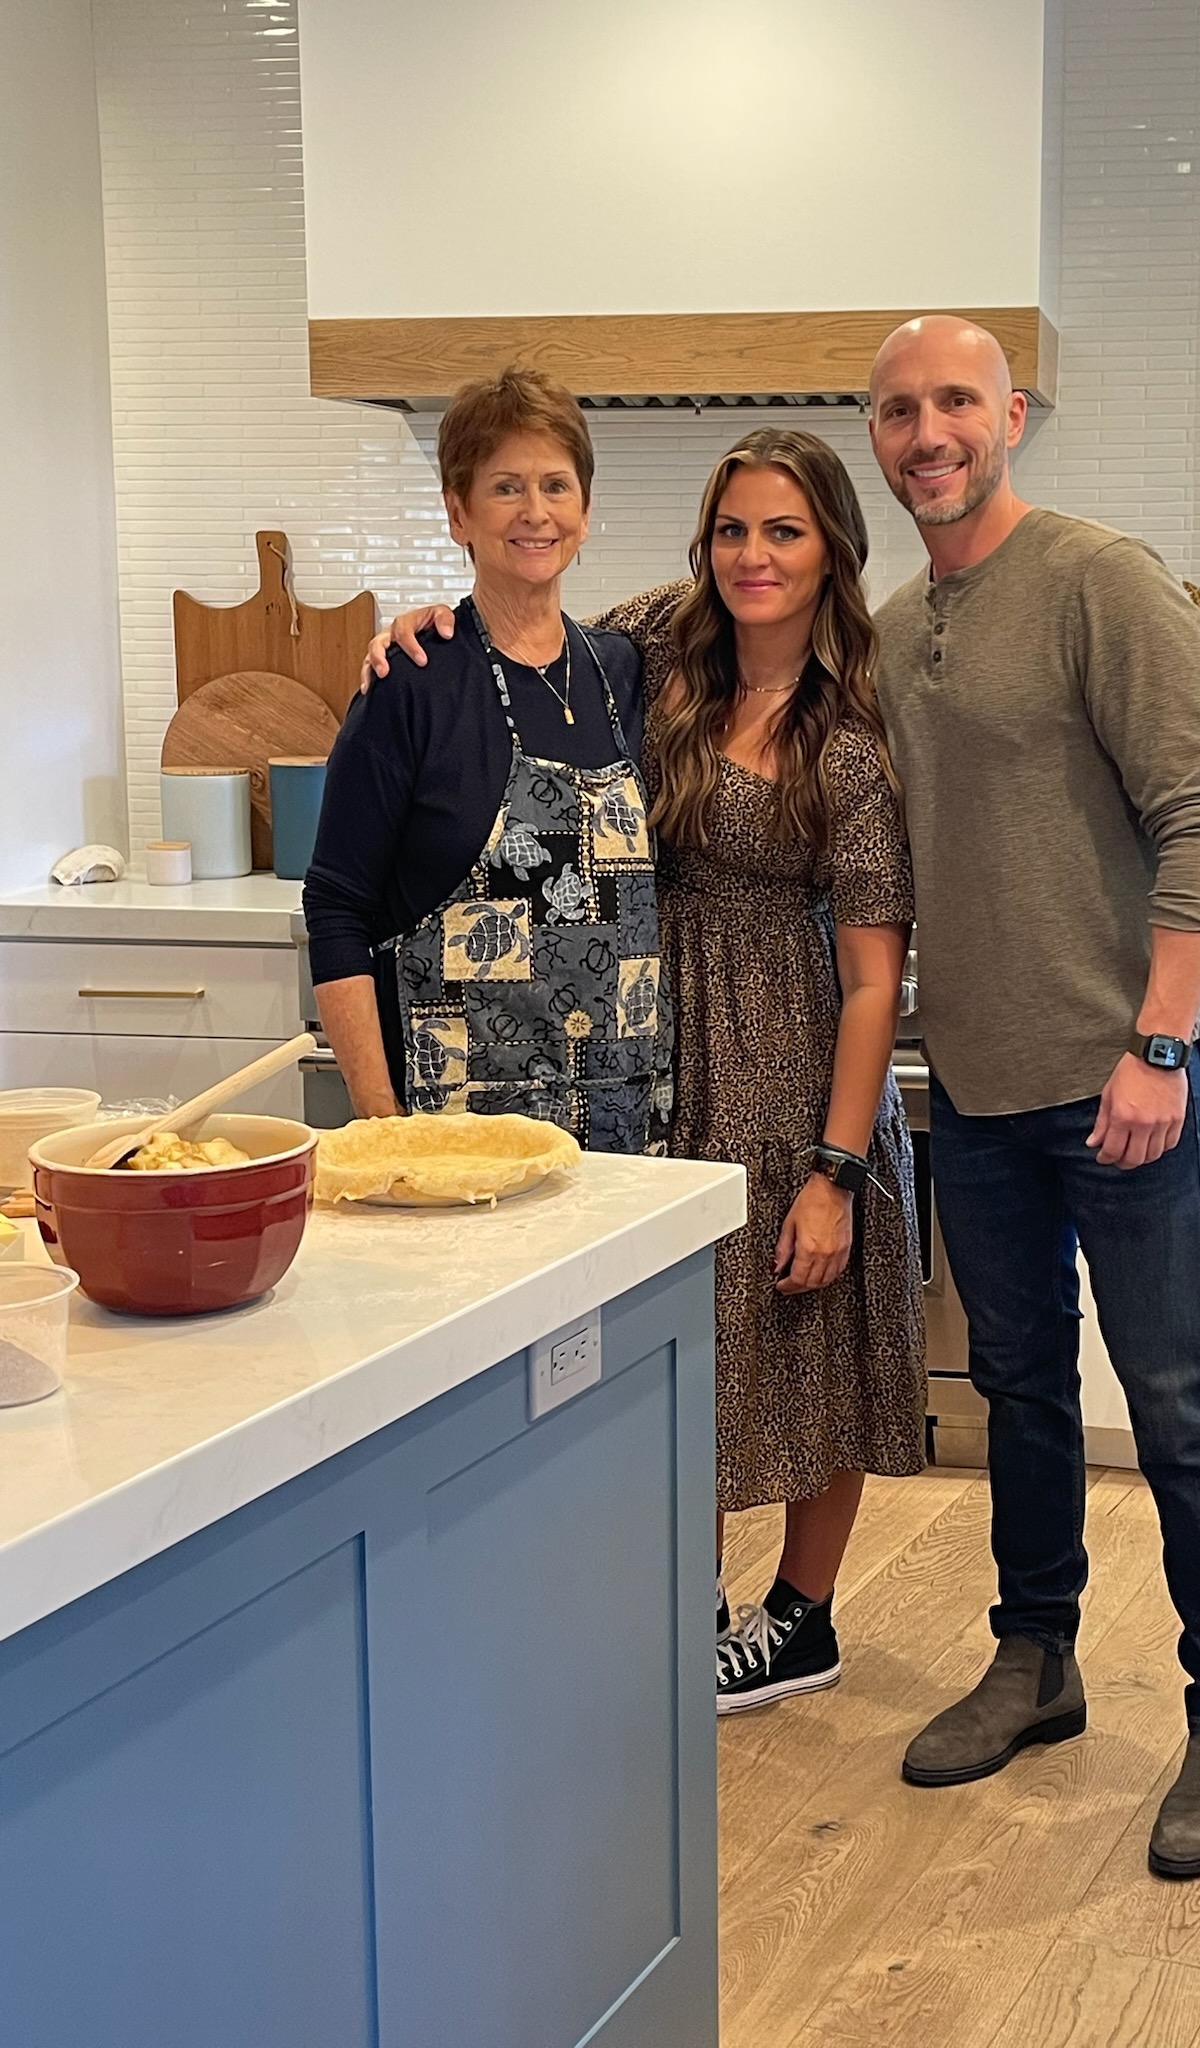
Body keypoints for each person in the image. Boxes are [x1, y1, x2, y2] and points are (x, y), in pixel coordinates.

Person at [367, 426, 926, 1715]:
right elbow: (521, 622)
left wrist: (836, 1168)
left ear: (834, 546)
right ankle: (684, 1598)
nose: (753, 554)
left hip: (793, 1064)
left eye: (783, 530)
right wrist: (420, 634)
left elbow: (872, 978)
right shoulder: (661, 646)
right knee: (686, 1346)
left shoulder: (852, 734)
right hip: (652, 1045)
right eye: (733, 528)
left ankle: (803, 1616)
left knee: (806, 1339)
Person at [864, 316, 1200, 1882]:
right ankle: (1036, 1661)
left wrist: (1160, 1049)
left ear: (1010, 413)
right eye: (899, 411)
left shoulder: (1106, 581)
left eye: (955, 401)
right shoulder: (902, 626)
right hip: (970, 1084)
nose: (928, 433)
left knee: (1180, 1409)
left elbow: (1195, 821)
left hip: (1121, 1085)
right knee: (1020, 1398)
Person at [303, 366, 666, 1153]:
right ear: (457, 512)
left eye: (556, 486)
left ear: (586, 509)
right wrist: (379, 1127)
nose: (536, 513)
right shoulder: (414, 681)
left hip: (623, 1136)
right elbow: (334, 908)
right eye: (506, 487)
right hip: (454, 1141)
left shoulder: (625, 670)